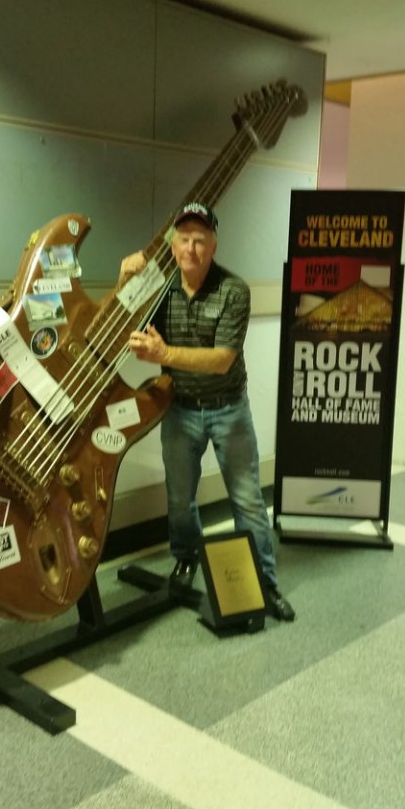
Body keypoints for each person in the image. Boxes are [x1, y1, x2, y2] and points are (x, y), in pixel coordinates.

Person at [119, 201, 295, 622]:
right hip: (179, 412)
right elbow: (119, 317)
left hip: (228, 410)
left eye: (200, 240)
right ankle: (185, 558)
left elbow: (222, 360)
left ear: (213, 245)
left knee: (248, 501)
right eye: (184, 239)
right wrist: (125, 278)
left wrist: (163, 353)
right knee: (180, 501)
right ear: (174, 245)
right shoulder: (158, 288)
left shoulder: (234, 290)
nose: (191, 248)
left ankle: (265, 583)